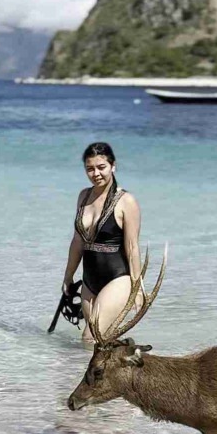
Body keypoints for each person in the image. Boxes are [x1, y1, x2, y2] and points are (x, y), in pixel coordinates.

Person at [62, 142, 144, 342]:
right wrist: (68, 276)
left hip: (118, 278)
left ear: (113, 166)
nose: (96, 173)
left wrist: (138, 288)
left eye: (101, 167)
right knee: (103, 340)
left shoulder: (126, 201)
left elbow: (132, 247)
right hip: (90, 280)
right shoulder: (84, 196)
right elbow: (77, 241)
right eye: (90, 169)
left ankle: (76, 372)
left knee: (89, 337)